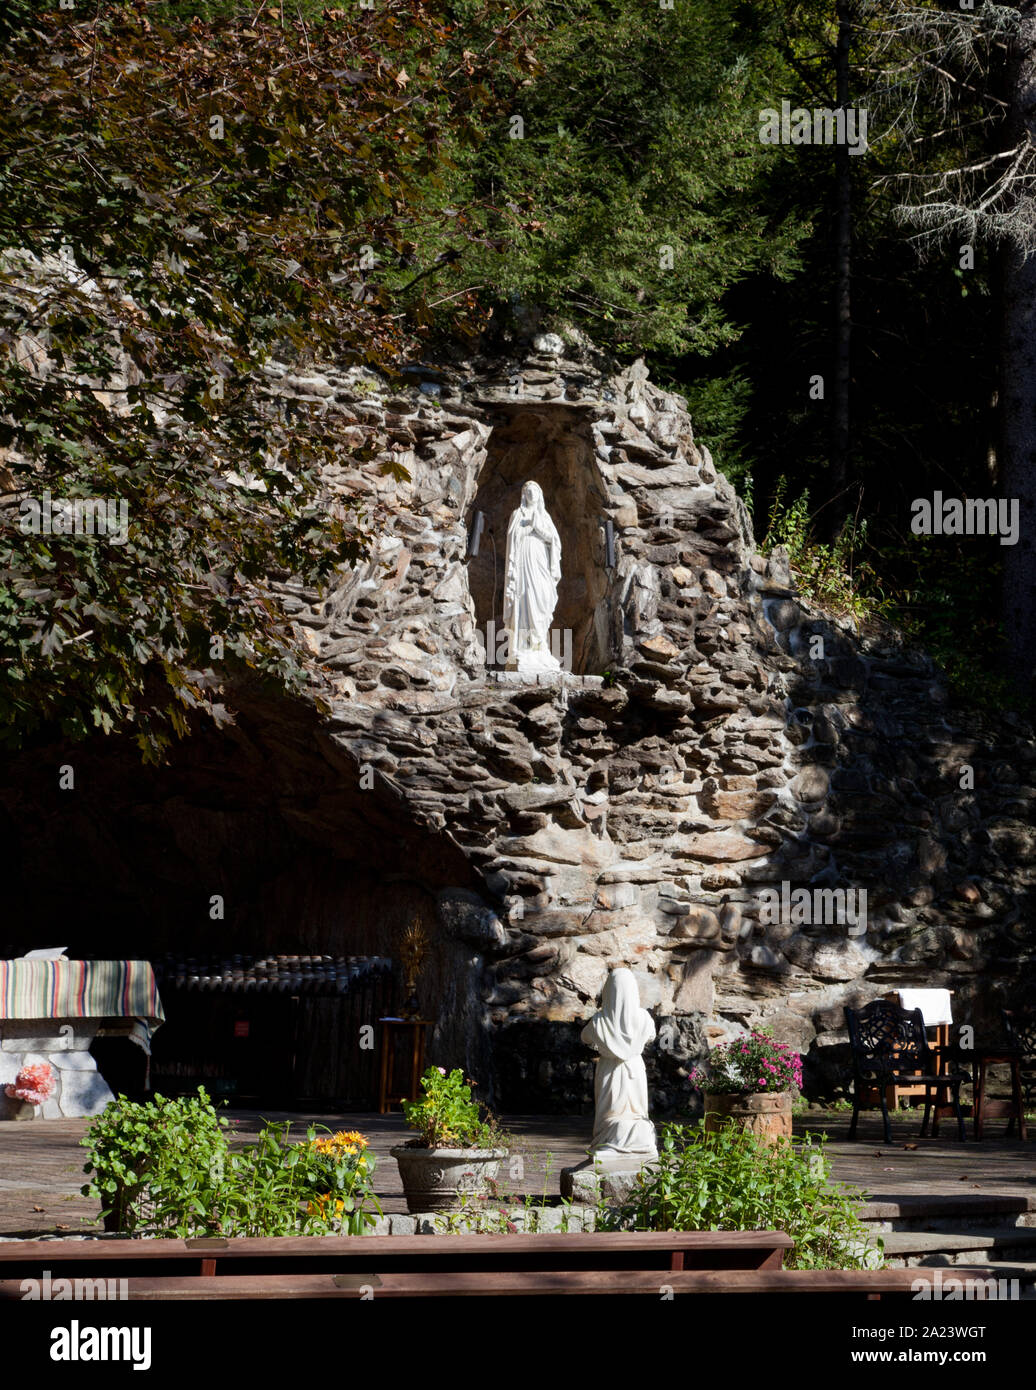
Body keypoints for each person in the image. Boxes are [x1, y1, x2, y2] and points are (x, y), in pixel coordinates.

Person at [580, 967, 657, 1160]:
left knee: (609, 1112)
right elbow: (652, 1035)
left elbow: (584, 1037)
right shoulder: (643, 1019)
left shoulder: (599, 1021)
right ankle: (637, 1143)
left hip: (609, 1070)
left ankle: (608, 1142)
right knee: (636, 1112)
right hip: (635, 1069)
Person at [502, 480, 562, 672]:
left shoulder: (545, 517)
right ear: (523, 495)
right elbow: (513, 539)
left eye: (534, 490)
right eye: (527, 491)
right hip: (522, 561)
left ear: (540, 494)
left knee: (542, 599)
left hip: (540, 561)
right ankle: (523, 647)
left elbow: (554, 541)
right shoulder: (517, 514)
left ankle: (539, 644)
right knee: (525, 598)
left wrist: (538, 527)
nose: (531, 494)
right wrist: (529, 528)